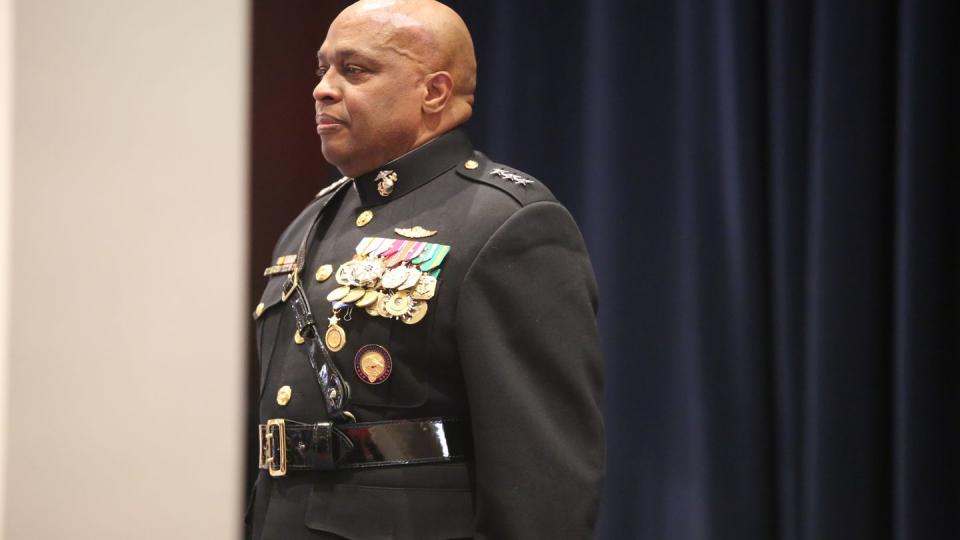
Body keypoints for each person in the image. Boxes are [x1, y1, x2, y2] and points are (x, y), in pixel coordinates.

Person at [247, 1, 604, 538]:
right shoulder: (311, 221)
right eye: (322, 69)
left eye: (355, 69)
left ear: (433, 92)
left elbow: (544, 482)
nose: (322, 87)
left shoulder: (505, 222)